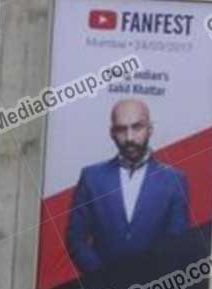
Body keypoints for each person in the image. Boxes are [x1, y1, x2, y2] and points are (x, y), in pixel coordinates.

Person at [66, 99, 190, 279]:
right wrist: (102, 275)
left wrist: (150, 280)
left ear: (150, 129)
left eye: (137, 127)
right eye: (121, 129)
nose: (129, 138)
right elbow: (75, 239)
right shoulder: (91, 178)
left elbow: (177, 242)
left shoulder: (174, 180)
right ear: (112, 133)